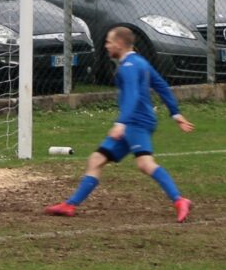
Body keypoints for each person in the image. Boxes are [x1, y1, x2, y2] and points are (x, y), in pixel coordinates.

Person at [45, 26, 195, 221]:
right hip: (138, 120)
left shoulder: (128, 67)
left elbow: (132, 95)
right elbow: (161, 86)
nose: (106, 46)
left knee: (145, 163)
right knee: (97, 160)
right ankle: (70, 205)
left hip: (135, 122)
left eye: (108, 42)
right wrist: (175, 113)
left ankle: (179, 200)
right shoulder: (140, 62)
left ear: (119, 44)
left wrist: (121, 123)